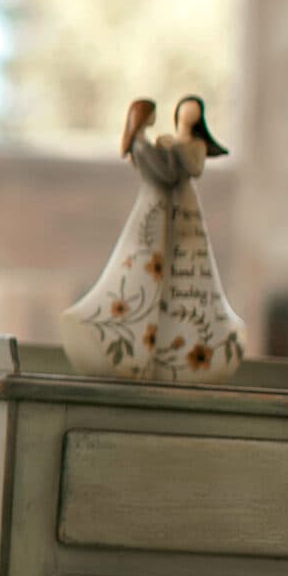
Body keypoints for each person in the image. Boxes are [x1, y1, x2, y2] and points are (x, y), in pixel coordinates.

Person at [57, 93, 247, 380]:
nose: (185, 117)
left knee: (171, 266)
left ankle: (167, 345)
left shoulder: (181, 145)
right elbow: (166, 173)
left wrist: (174, 149)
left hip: (178, 208)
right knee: (141, 263)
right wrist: (169, 151)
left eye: (192, 113)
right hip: (155, 207)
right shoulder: (144, 145)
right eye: (184, 112)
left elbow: (183, 170)